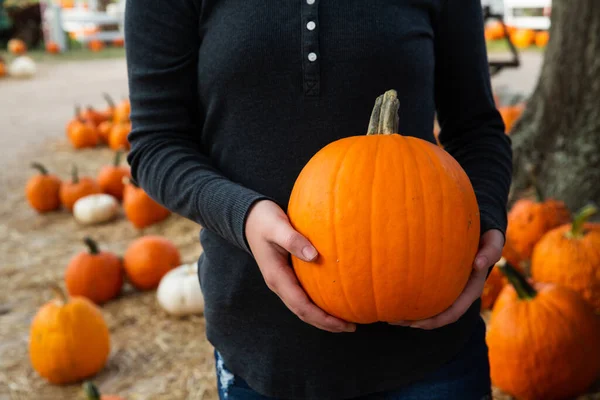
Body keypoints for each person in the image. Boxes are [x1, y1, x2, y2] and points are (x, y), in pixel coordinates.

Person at [124, 0, 512, 398]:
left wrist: (480, 225)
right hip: (262, 344)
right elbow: (156, 143)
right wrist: (243, 216)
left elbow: (476, 130)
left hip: (433, 349)